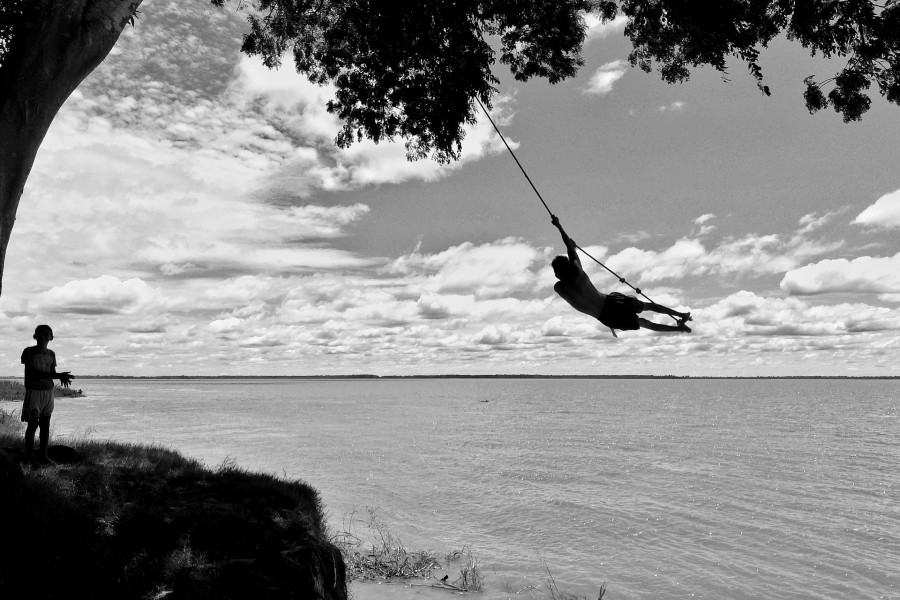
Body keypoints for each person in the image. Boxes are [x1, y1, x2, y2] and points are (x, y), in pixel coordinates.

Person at [550, 215, 692, 337]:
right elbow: (570, 250)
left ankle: (680, 328)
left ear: (559, 273)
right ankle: (681, 315)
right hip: (612, 302)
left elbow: (569, 256)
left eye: (555, 272)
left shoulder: (560, 288)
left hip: (606, 317)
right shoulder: (578, 273)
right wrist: (558, 226)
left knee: (645, 323)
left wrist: (570, 249)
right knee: (647, 307)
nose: (555, 275)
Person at [21, 325, 74, 468]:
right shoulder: (28, 352)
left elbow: (51, 371)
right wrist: (58, 375)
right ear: (35, 336)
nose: (44, 337)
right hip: (34, 391)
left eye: (46, 334)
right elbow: (33, 372)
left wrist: (59, 376)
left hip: (48, 392)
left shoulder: (51, 354)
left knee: (45, 425)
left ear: (51, 337)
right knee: (32, 425)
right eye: (40, 334)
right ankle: (30, 456)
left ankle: (43, 456)